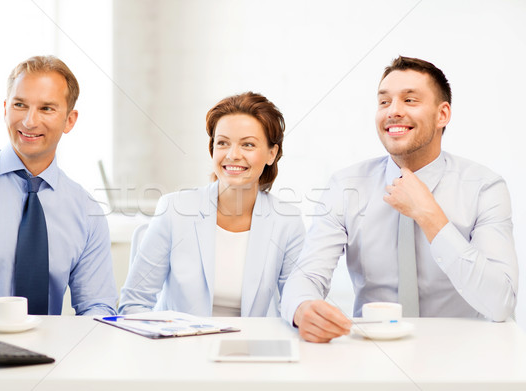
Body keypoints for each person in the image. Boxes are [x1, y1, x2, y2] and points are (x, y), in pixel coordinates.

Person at [281, 56, 518, 342]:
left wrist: (430, 215)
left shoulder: (485, 188)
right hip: (374, 353)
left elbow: (500, 303)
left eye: (409, 100)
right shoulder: (345, 186)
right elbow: (305, 276)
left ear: (442, 114)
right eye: (384, 102)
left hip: (464, 354)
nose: (393, 111)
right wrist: (302, 307)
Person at [119, 92, 305, 317]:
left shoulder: (287, 221)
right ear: (212, 149)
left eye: (247, 144)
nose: (233, 155)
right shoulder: (174, 210)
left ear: (271, 154)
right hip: (179, 345)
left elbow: (298, 301)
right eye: (223, 143)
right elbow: (133, 303)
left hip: (253, 347)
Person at [0, 55, 117, 315]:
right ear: (5, 109)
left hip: (51, 353)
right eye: (20, 105)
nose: (29, 121)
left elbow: (97, 307)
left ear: (70, 120)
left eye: (46, 108)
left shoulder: (87, 212)